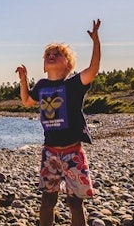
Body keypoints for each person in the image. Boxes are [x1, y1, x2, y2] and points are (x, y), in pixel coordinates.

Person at [16, 19, 102, 226]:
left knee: (75, 203)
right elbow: (27, 101)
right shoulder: (42, 85)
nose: (52, 56)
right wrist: (24, 80)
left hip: (73, 151)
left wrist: (96, 41)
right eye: (48, 55)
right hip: (50, 152)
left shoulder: (74, 84)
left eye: (58, 54)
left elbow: (93, 69)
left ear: (69, 65)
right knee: (47, 200)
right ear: (44, 66)